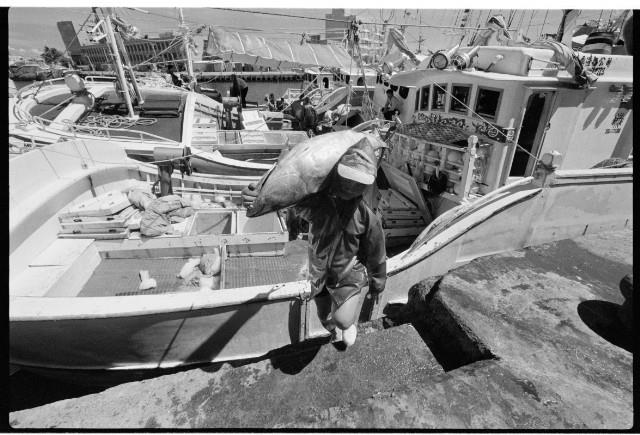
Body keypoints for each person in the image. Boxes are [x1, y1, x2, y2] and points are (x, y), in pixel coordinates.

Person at [241, 144, 387, 348]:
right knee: (323, 313)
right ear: (337, 176)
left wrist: (378, 282)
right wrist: (257, 195)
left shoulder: (367, 218)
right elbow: (287, 199)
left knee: (343, 319)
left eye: (359, 183)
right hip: (318, 272)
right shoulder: (318, 203)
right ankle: (332, 328)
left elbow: (376, 252)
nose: (351, 186)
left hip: (348, 275)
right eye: (347, 179)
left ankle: (347, 324)